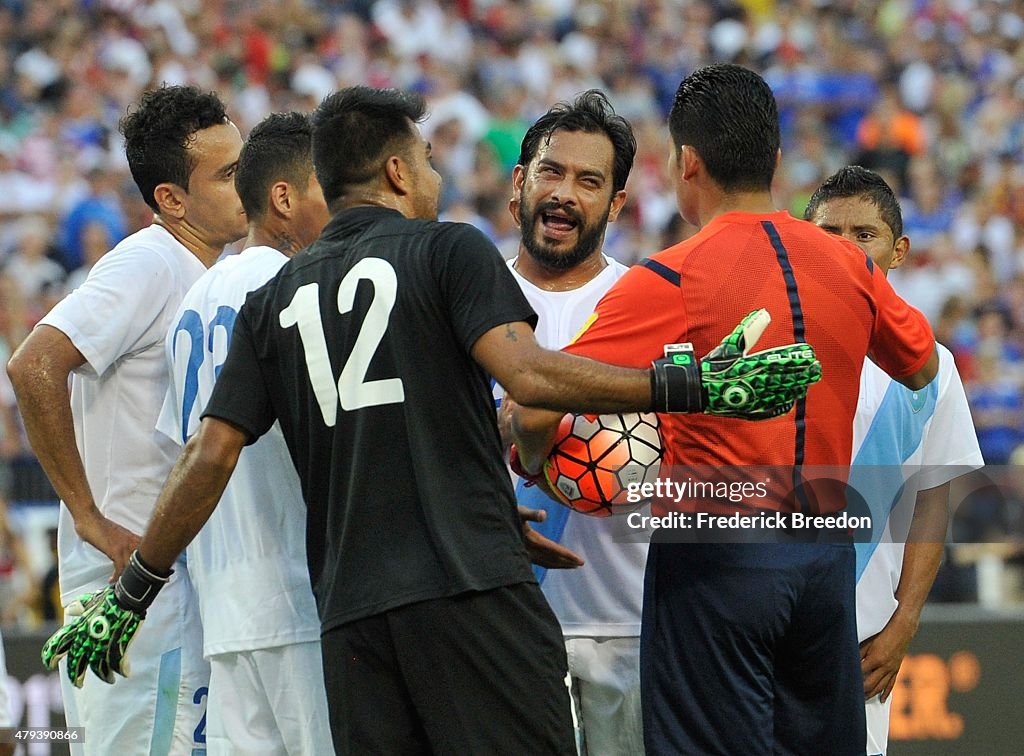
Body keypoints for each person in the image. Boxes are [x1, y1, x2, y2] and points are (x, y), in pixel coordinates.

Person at [38, 86, 820, 755]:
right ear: (396, 170)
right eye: (430, 159)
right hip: (471, 596)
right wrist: (691, 386)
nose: (439, 175)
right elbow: (529, 373)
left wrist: (133, 592)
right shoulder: (449, 251)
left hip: (350, 621)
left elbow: (208, 455)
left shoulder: (269, 299)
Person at [511, 64, 939, 756]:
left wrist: (533, 462)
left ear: (687, 163)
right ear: (774, 162)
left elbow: (535, 409)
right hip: (824, 554)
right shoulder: (849, 265)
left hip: (717, 552)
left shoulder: (672, 276)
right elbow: (919, 365)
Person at [6, 85, 246, 755]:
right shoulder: (148, 261)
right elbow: (33, 365)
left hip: (170, 580)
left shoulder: (211, 271)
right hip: (129, 587)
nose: (244, 182)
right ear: (171, 199)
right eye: (226, 174)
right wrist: (87, 516)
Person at [155, 112, 333, 755]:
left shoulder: (194, 300)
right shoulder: (294, 287)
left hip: (225, 612)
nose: (337, 207)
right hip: (300, 596)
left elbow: (183, 452)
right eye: (326, 189)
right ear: (283, 199)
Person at [804, 165, 984, 756]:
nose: (846, 249)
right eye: (830, 233)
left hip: (861, 641)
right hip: (757, 629)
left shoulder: (932, 366)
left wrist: (904, 623)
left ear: (898, 250)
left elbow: (934, 498)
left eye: (864, 234)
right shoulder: (766, 342)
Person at [497, 90, 646, 754]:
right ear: (520, 182)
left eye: (589, 181)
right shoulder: (463, 300)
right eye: (551, 172)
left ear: (615, 203)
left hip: (633, 625)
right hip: (504, 625)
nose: (564, 193)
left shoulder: (648, 303)